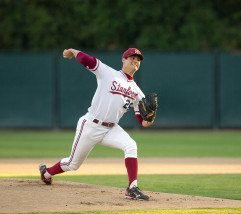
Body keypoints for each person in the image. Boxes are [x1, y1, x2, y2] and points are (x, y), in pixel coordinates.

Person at [39, 48, 157, 201]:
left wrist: (151, 116)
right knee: (73, 164)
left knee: (131, 145)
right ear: (123, 59)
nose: (135, 61)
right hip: (90, 125)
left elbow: (143, 122)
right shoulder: (109, 73)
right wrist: (73, 52)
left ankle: (132, 188)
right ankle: (46, 173)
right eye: (131, 58)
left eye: (138, 59)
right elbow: (88, 61)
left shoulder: (137, 92)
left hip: (111, 128)